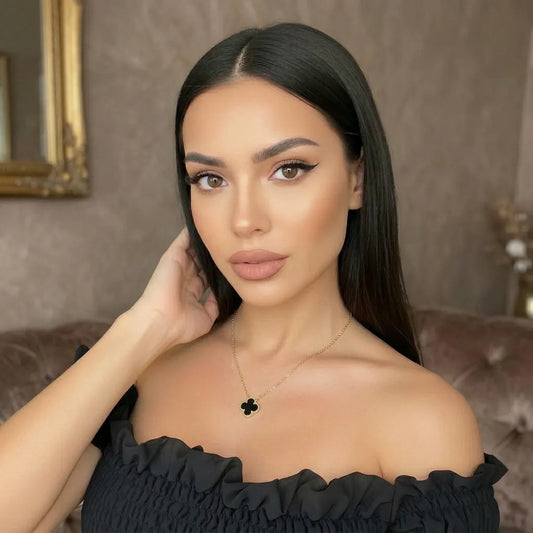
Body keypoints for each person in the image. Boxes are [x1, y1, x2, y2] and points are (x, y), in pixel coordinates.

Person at [0, 22, 507, 533]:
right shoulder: (142, 374)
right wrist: (140, 330)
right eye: (211, 179)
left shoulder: (423, 419)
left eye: (288, 169)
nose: (244, 220)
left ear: (357, 179)